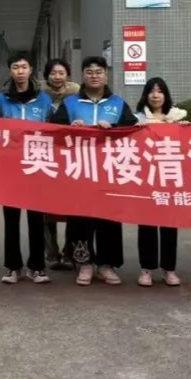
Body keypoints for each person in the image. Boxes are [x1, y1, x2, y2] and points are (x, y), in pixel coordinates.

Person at [51, 55, 138, 286]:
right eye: (89, 72)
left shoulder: (118, 103)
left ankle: (107, 264)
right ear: (83, 76)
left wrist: (114, 127)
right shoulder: (70, 104)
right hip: (80, 171)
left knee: (109, 219)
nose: (94, 76)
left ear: (106, 75)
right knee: (80, 219)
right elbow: (53, 130)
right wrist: (70, 127)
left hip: (109, 170)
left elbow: (132, 132)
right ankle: (84, 263)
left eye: (98, 72)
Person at [0, 52, 53, 285]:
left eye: (24, 67)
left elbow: (54, 128)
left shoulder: (44, 100)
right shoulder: (1, 100)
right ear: (10, 71)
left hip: (37, 165)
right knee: (11, 219)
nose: (20, 71)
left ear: (31, 70)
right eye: (16, 67)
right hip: (10, 168)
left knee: (36, 219)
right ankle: (12, 267)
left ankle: (36, 267)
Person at [134, 77, 187, 287]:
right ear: (145, 95)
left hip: (170, 177)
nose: (156, 95)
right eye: (152, 91)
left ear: (166, 95)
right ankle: (146, 269)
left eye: (160, 91)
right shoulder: (137, 118)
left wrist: (185, 130)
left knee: (169, 225)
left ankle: (169, 269)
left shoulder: (177, 117)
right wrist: (135, 129)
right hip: (147, 178)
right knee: (146, 225)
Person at [41, 57, 79, 270]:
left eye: (61, 73)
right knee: (45, 207)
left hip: (71, 157)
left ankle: (69, 251)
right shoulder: (39, 96)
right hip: (44, 156)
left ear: (67, 75)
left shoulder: (78, 94)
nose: (57, 77)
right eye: (53, 73)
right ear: (47, 75)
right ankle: (51, 252)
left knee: (73, 206)